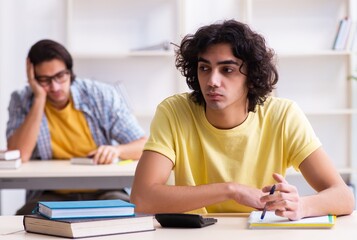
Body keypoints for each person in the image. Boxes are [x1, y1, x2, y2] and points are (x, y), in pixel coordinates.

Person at [130, 20, 355, 220]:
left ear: (252, 76)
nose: (212, 81)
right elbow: (142, 197)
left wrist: (301, 206)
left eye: (227, 69)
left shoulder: (283, 115)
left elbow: (344, 197)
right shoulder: (174, 111)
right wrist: (232, 190)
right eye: (204, 68)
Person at [6, 39, 147, 215]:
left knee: (131, 215)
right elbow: (19, 154)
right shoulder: (22, 100)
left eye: (60, 76)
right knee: (23, 221)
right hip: (50, 195)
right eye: (44, 80)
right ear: (32, 78)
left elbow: (144, 146)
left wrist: (117, 150)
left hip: (104, 191)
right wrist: (39, 99)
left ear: (70, 72)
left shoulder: (101, 94)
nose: (55, 86)